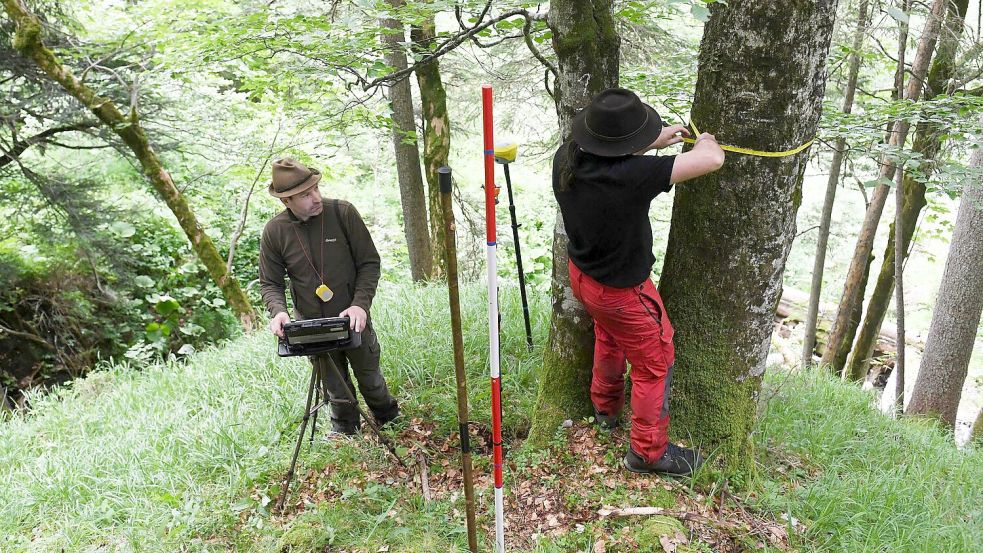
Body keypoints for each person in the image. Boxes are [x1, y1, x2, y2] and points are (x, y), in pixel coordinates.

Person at [553, 88, 725, 475]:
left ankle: (605, 408)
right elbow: (711, 158)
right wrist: (709, 139)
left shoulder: (568, 157)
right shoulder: (633, 177)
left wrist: (653, 140)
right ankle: (647, 453)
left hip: (584, 278)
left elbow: (615, 159)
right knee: (655, 362)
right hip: (623, 293)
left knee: (609, 336)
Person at [259, 158, 399, 435]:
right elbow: (270, 283)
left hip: (352, 320)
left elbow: (369, 263)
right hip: (312, 327)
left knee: (370, 377)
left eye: (316, 189)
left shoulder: (342, 213)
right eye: (305, 195)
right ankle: (346, 430)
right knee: (335, 386)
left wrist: (360, 305)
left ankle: (389, 418)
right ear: (286, 201)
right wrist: (279, 312)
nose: (316, 198)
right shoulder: (275, 232)